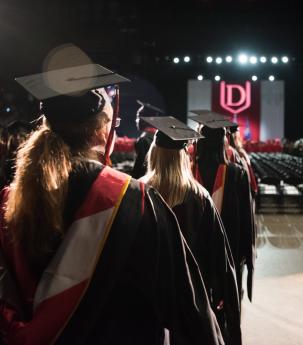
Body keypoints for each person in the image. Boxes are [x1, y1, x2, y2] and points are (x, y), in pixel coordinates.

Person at [0, 64, 223, 345]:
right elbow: (189, 310)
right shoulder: (135, 202)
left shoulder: (10, 201)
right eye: (112, 123)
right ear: (101, 133)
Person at [139, 116, 242, 345]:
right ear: (183, 156)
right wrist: (223, 293)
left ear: (153, 154)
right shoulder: (200, 198)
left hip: (148, 295)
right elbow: (219, 255)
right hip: (192, 295)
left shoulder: (136, 194)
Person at [190, 110, 256, 305]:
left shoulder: (187, 172)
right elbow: (246, 219)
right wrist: (247, 252)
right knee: (227, 299)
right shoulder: (237, 174)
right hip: (229, 249)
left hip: (195, 247)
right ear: (222, 142)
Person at [131, 100, 162, 178]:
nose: (136, 120)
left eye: (138, 117)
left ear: (147, 119)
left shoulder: (144, 139)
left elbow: (138, 169)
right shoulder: (160, 137)